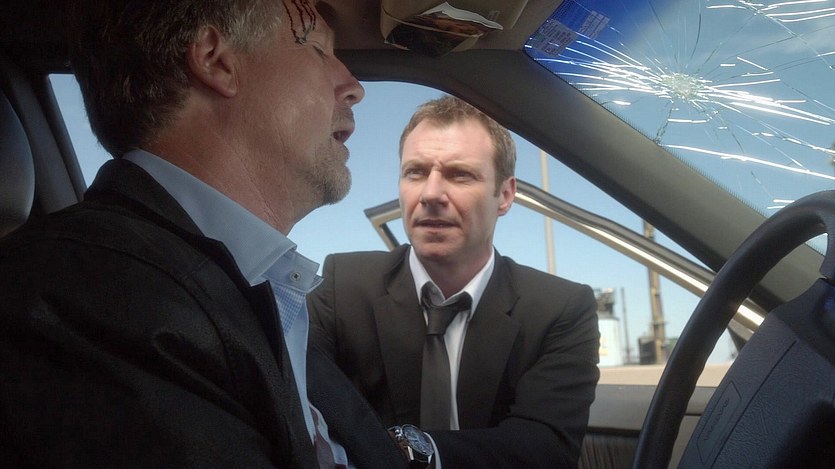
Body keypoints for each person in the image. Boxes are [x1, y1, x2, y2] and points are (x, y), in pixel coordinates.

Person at [0, 1, 407, 467]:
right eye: (317, 48)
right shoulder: (92, 302)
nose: (353, 87)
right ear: (216, 61)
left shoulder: (243, 284)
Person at [308, 96, 601, 468]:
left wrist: (411, 451)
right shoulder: (342, 286)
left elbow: (545, 449)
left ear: (505, 195)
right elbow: (303, 412)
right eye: (415, 172)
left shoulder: (560, 308)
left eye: (460, 174)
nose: (430, 194)